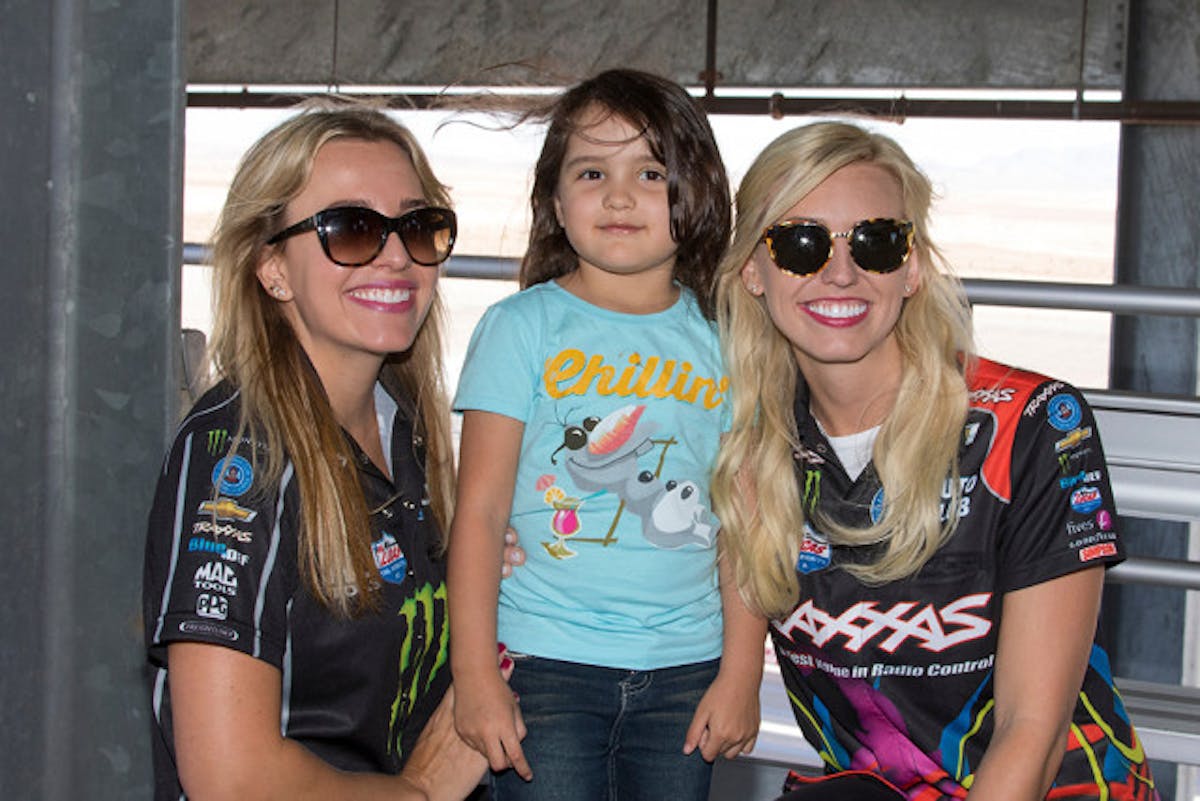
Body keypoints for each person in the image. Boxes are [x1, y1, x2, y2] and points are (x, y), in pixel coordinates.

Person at [710, 119, 1160, 801]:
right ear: (752, 269)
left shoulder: (1034, 425)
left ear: (912, 266)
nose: (840, 271)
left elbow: (1029, 731)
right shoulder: (748, 437)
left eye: (877, 241)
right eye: (800, 243)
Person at [142, 102, 508, 801]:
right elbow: (232, 777)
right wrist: (421, 791)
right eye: (352, 228)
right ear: (272, 267)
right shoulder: (239, 455)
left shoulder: (409, 431)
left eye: (418, 225)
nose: (397, 255)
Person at [447, 69, 765, 801]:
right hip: (542, 664)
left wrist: (742, 672)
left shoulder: (729, 343)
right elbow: (482, 511)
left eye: (651, 172)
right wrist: (473, 674)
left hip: (688, 671)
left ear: (697, 195)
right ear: (556, 201)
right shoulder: (518, 329)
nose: (619, 195)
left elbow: (747, 520)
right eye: (592, 171)